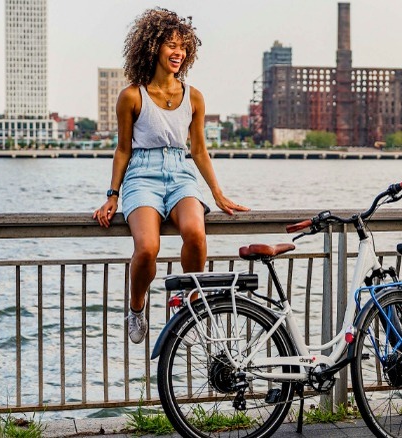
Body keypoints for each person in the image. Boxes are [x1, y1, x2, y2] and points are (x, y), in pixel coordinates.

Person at [93, 8, 248, 344]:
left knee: (195, 232)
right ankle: (137, 306)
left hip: (181, 173)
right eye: (171, 45)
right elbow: (122, 150)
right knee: (148, 248)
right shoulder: (131, 96)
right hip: (142, 177)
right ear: (153, 48)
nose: (178, 53)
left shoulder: (193, 97)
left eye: (183, 47)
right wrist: (112, 194)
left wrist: (218, 193)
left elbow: (199, 151)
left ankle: (191, 308)